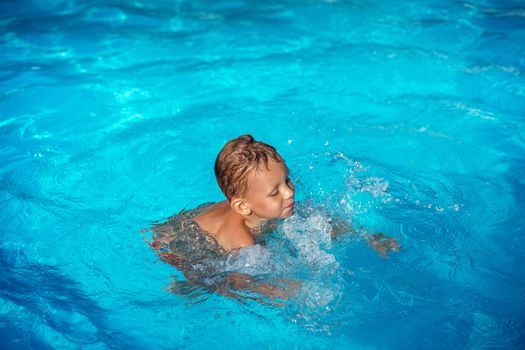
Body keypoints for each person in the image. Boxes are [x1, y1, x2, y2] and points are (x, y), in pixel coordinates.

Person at [149, 134, 398, 301]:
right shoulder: (244, 244)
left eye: (286, 180)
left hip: (193, 220)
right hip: (177, 249)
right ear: (243, 206)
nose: (289, 192)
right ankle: (185, 287)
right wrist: (286, 291)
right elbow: (241, 281)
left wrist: (368, 236)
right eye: (274, 191)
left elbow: (321, 220)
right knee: (207, 280)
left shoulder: (268, 206)